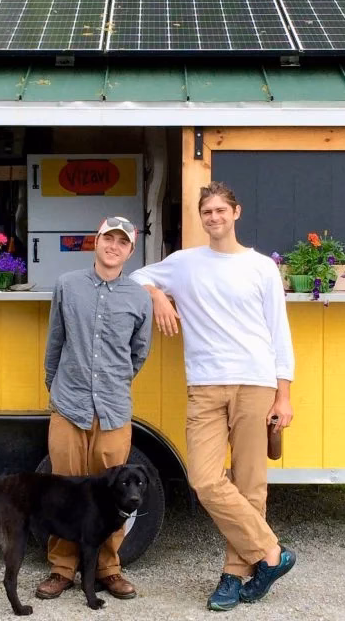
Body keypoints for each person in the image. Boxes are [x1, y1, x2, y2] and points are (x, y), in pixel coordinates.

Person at [130, 181, 296, 612]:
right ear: (200, 217)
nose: (215, 217)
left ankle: (233, 574)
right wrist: (158, 297)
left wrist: (284, 397)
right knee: (204, 480)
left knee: (249, 483)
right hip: (204, 384)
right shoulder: (184, 264)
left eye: (222, 210)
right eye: (207, 212)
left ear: (236, 213)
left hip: (255, 382)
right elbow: (136, 277)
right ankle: (271, 553)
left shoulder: (261, 267)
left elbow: (280, 333)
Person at [35, 215, 153, 601]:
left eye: (122, 242)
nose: (113, 246)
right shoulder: (67, 286)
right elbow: (55, 341)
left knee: (112, 495)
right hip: (69, 405)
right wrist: (57, 386)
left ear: (130, 251)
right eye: (108, 238)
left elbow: (140, 352)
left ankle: (108, 569)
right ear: (96, 242)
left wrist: (115, 383)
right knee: (64, 490)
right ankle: (62, 569)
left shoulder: (138, 297)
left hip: (114, 410)